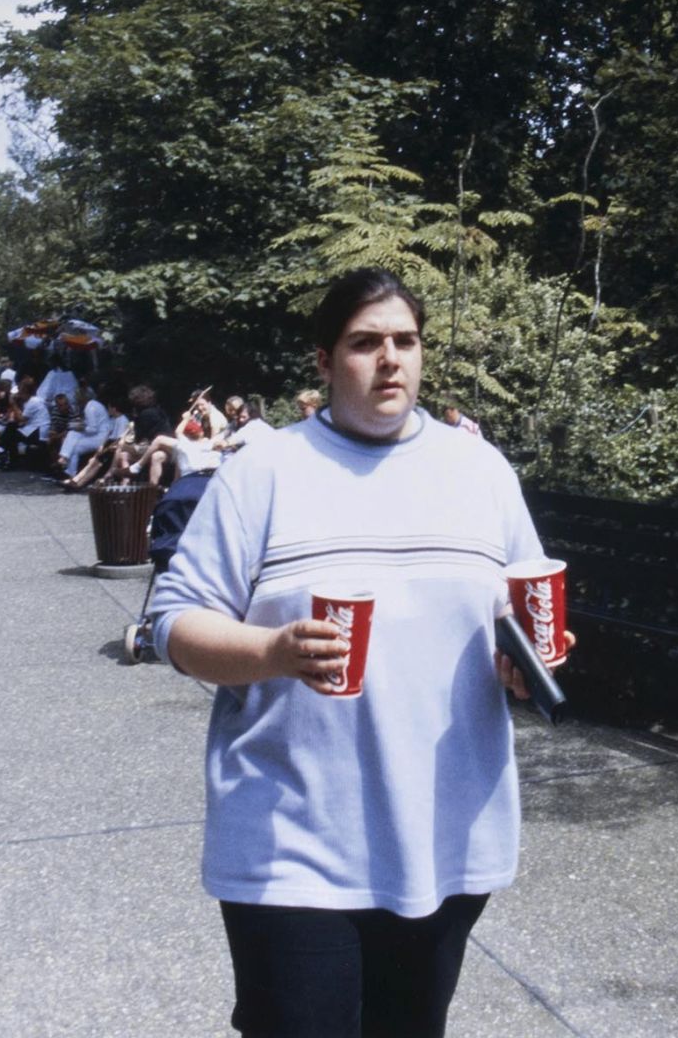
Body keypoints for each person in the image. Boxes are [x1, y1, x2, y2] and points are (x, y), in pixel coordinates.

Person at [151, 268, 572, 1038]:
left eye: (405, 342)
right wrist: (272, 649)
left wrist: (530, 664)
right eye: (364, 343)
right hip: (292, 834)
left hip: (445, 832)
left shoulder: (477, 471)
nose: (390, 360)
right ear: (323, 361)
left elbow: (520, 609)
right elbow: (174, 626)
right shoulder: (265, 471)